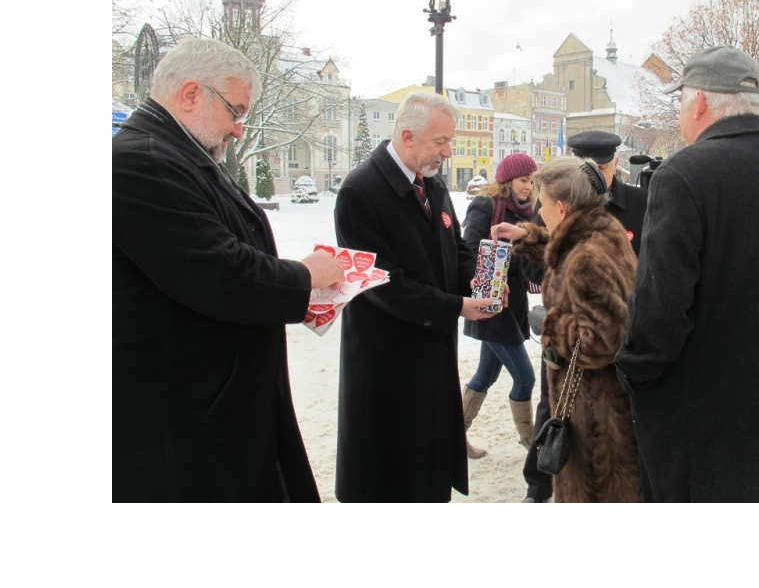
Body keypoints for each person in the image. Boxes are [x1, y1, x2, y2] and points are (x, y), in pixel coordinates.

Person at [112, 38, 346, 502]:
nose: (239, 129)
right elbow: (224, 274)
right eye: (235, 112)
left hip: (217, 405)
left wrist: (289, 290)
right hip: (188, 422)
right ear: (191, 94)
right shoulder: (143, 162)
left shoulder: (179, 153)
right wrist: (306, 275)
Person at [614, 46, 759, 502]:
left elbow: (659, 313)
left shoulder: (685, 174)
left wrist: (633, 375)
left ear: (699, 103)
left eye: (680, 102)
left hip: (705, 430)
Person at [333, 92, 497, 502]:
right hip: (386, 366)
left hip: (432, 355)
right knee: (391, 476)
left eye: (450, 141)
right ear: (407, 135)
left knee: (429, 471)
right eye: (441, 141)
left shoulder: (432, 182)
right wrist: (458, 306)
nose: (448, 150)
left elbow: (454, 249)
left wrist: (481, 282)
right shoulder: (360, 191)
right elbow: (383, 285)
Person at [493, 156, 642, 503]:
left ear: (561, 208)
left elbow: (604, 338)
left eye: (542, 205)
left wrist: (551, 324)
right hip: (600, 407)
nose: (538, 213)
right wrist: (530, 238)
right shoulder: (601, 230)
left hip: (593, 416)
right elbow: (569, 250)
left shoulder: (588, 257)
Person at [461, 153, 539, 458]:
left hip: (514, 302)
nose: (528, 186)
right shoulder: (486, 205)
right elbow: (468, 248)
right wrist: (496, 268)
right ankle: (532, 444)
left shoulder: (530, 212)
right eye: (523, 180)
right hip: (491, 303)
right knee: (525, 378)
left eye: (531, 180)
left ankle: (454, 437)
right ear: (507, 180)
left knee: (485, 375)